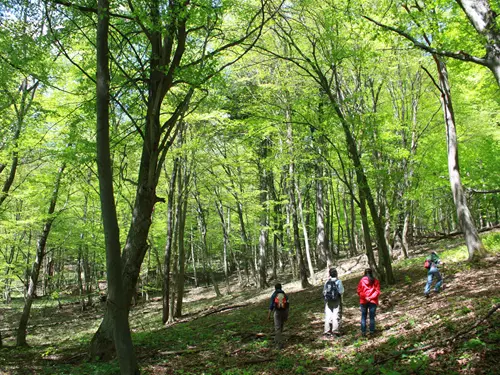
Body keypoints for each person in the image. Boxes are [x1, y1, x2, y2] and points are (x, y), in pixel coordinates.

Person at [357, 268, 380, 337]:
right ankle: (372, 331)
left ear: (365, 273)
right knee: (372, 317)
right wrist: (371, 297)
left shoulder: (361, 281)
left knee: (363, 316)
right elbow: (377, 291)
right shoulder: (375, 281)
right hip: (373, 301)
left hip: (363, 301)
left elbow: (359, 291)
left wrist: (365, 297)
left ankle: (363, 331)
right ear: (371, 273)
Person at [323, 268, 344, 336]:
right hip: (336, 300)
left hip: (328, 301)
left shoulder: (327, 282)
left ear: (330, 274)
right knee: (335, 315)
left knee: (328, 315)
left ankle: (327, 331)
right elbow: (341, 291)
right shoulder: (338, 281)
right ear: (336, 274)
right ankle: (335, 330)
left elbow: (324, 292)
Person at [268, 283, 289, 349]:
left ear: (275, 288)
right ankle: (277, 339)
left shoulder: (274, 295)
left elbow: (271, 306)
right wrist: (287, 314)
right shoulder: (284, 294)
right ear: (281, 287)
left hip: (277, 312)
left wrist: (268, 315)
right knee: (281, 326)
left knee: (277, 328)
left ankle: (279, 345)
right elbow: (288, 304)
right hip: (284, 312)